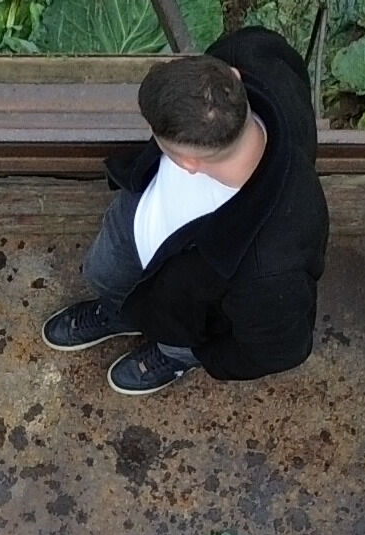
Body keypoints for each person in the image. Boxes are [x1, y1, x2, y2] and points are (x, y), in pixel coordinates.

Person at [39, 30, 330, 396]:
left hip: (189, 314)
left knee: (175, 338)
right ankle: (118, 313)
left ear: (188, 162)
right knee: (105, 273)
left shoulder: (272, 267)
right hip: (139, 236)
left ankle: (172, 356)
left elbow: (278, 350)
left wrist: (204, 354)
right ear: (233, 76)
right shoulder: (248, 53)